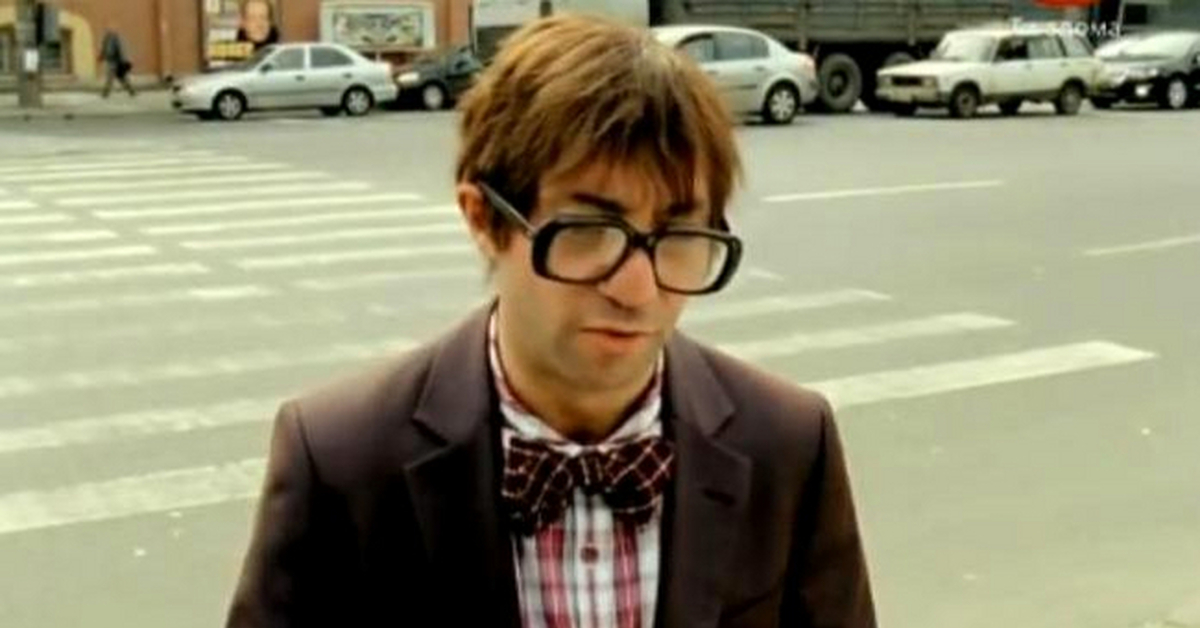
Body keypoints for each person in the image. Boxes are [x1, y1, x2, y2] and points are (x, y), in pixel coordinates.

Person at [225, 14, 876, 628]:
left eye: (678, 234)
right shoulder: (342, 458)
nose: (637, 289)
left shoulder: (788, 445)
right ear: (484, 218)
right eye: (589, 230)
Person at [97, 25, 135, 98]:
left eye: (108, 30)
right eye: (106, 31)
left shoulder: (115, 38)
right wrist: (101, 57)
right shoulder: (105, 40)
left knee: (120, 78)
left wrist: (123, 60)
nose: (106, 32)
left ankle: (131, 91)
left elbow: (120, 50)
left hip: (117, 61)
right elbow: (104, 50)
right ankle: (106, 93)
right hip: (111, 61)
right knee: (111, 77)